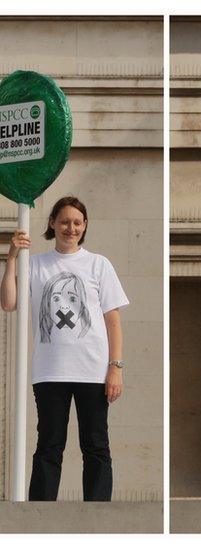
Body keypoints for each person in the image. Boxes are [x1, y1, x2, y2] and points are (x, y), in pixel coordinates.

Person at [2, 196, 129, 501]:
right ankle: (40, 514)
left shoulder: (99, 264)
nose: (70, 228)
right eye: (64, 221)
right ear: (52, 224)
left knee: (96, 444)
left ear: (84, 226)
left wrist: (116, 367)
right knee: (49, 444)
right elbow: (8, 302)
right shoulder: (35, 264)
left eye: (77, 222)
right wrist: (10, 259)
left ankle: (98, 513)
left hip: (93, 371)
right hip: (50, 372)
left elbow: (113, 321)